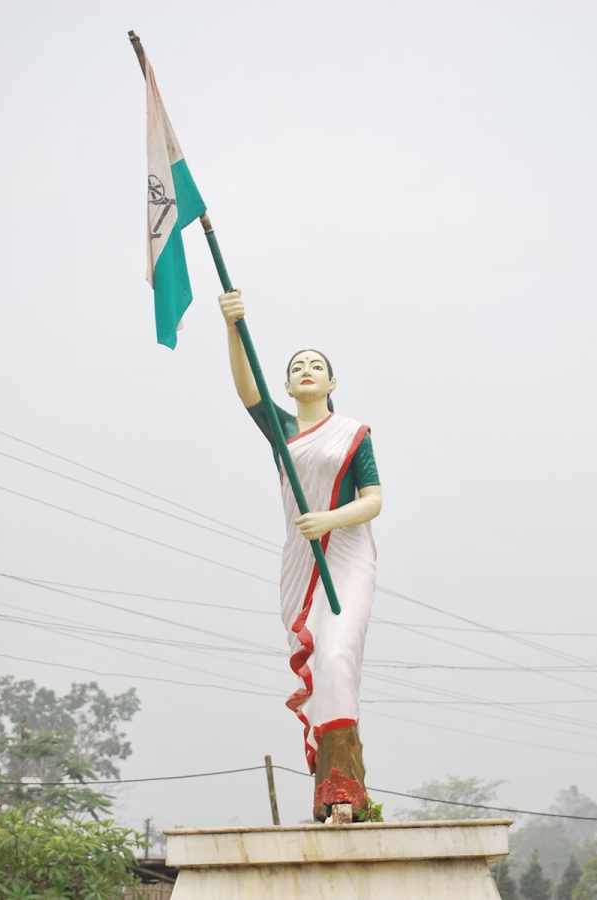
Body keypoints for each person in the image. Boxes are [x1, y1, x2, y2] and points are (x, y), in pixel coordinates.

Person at [218, 290, 382, 821]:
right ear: (287, 387)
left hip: (348, 554)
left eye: (316, 366)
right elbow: (246, 390)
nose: (306, 371)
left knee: (337, 658)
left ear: (332, 383)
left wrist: (330, 520)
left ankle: (344, 791)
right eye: (296, 368)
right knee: (321, 661)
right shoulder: (283, 432)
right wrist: (233, 327)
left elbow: (374, 500)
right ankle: (332, 793)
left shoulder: (353, 435)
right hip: (303, 561)